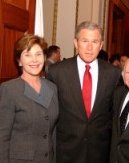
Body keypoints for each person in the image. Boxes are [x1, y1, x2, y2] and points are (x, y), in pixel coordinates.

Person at [46, 21, 121, 163]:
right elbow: (49, 114)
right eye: (85, 41)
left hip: (99, 152)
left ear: (101, 45)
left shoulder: (114, 74)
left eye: (95, 41)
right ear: (76, 43)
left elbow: (114, 113)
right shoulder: (57, 72)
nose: (89, 47)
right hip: (66, 151)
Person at [0, 34, 59, 163]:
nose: (34, 60)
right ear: (19, 60)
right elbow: (1, 138)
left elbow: (53, 131)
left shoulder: (52, 88)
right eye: (27, 55)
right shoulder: (9, 89)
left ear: (44, 57)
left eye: (38, 54)